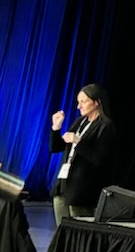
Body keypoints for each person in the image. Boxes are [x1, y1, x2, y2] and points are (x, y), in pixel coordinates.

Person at [49, 84, 118, 227]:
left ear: (96, 102)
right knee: (61, 230)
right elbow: (56, 148)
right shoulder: (80, 122)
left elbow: (99, 159)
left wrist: (78, 142)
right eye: (78, 102)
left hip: (82, 190)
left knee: (79, 231)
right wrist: (56, 128)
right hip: (64, 185)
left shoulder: (106, 126)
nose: (79, 106)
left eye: (83, 102)